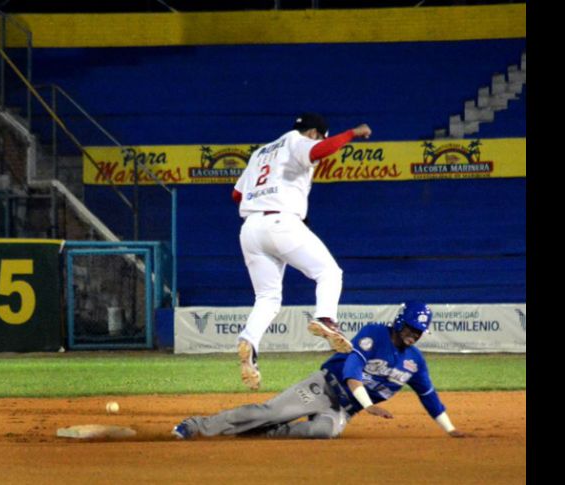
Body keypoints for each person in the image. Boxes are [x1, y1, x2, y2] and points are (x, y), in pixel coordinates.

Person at [172, 301, 469, 440]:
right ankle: (196, 425)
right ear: (399, 321)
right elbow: (352, 369)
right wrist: (370, 406)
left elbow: (429, 395)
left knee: (323, 431)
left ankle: (261, 435)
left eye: (419, 332)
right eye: (411, 328)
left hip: (344, 409)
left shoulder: (414, 361)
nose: (414, 335)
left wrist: (450, 429)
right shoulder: (375, 334)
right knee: (269, 412)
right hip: (324, 387)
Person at [232, 112, 372, 390]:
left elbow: (236, 195)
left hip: (250, 229)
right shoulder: (296, 140)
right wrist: (352, 134)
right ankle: (325, 319)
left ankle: (249, 339)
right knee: (329, 272)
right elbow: (321, 149)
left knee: (268, 297)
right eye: (320, 136)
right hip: (281, 222)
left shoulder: (260, 153)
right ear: (313, 133)